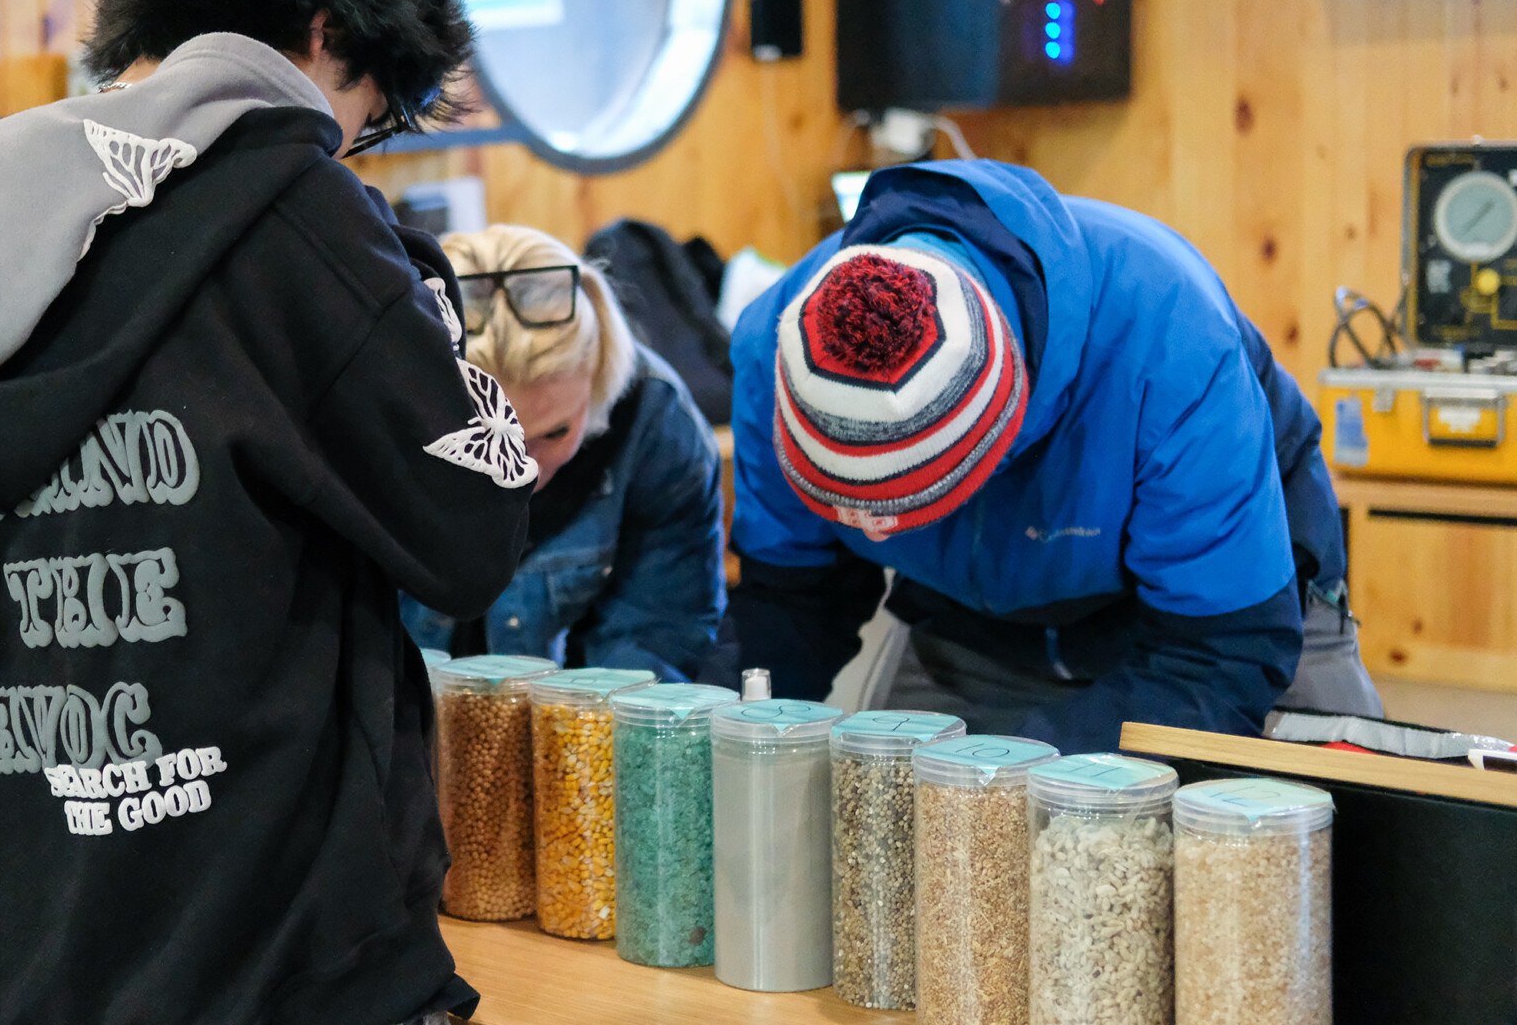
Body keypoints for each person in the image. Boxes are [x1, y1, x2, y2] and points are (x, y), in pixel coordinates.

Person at [0, 0, 531, 1025]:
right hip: (277, 960)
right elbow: (474, 528)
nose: (351, 142)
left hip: (30, 945)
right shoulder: (293, 210)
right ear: (324, 35)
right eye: (366, 109)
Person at [726, 160, 1382, 753]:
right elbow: (795, 602)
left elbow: (1217, 659)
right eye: (839, 500)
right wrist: (710, 732)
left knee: (1317, 854)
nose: (868, 531)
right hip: (971, 619)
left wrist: (1028, 769)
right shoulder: (775, 347)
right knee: (921, 844)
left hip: (1221, 614)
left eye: (899, 505)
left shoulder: (1168, 343)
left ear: (999, 448)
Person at [400, 225, 725, 679]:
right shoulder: (366, 414)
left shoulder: (656, 424)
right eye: (488, 440)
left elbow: (655, 636)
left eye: (553, 433)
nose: (523, 471)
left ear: (598, 384)